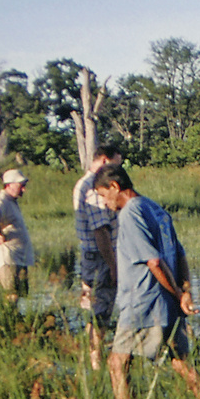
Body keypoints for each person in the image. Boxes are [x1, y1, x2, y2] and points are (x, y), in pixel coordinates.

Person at [93, 165, 200, 399]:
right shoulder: (156, 209)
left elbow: (154, 262)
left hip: (143, 302)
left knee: (117, 363)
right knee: (182, 364)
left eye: (103, 195)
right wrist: (184, 290)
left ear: (115, 187)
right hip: (168, 303)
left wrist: (180, 294)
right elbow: (179, 254)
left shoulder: (130, 213)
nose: (104, 203)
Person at [73, 146, 123, 369]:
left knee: (93, 311)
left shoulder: (85, 183)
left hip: (93, 257)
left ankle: (93, 359)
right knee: (100, 311)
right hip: (99, 258)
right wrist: (113, 265)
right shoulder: (94, 187)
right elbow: (100, 230)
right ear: (104, 160)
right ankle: (96, 362)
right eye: (116, 164)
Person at [0, 168, 34, 304]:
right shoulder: (1, 199)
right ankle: (10, 320)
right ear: (9, 185)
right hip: (8, 257)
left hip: (18, 257)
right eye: (21, 186)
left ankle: (17, 320)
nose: (23, 190)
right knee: (11, 294)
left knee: (19, 294)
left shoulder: (11, 200)